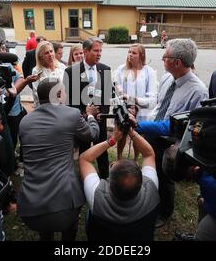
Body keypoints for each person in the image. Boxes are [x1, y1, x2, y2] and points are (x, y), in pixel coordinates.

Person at [17, 78, 99, 241]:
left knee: (45, 230)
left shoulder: (25, 121)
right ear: (59, 94)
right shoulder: (71, 114)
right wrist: (90, 116)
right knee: (69, 230)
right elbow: (92, 134)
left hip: (31, 206)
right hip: (64, 205)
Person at [147, 38, 208, 228]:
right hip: (153, 133)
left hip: (170, 143)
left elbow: (194, 128)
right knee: (151, 170)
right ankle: (150, 200)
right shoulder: (167, 77)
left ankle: (164, 212)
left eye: (165, 56)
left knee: (165, 179)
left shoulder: (198, 91)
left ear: (177, 62)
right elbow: (159, 104)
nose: (162, 59)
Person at [79, 123, 159, 241]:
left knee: (89, 215)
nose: (113, 163)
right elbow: (149, 154)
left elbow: (84, 159)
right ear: (141, 181)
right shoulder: (151, 189)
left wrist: (112, 140)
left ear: (109, 183)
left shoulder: (97, 197)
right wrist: (132, 133)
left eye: (113, 165)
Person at [63, 36, 114, 179]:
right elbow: (70, 100)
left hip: (100, 118)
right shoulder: (71, 72)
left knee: (102, 149)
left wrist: (102, 113)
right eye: (96, 51)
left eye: (100, 51)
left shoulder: (105, 69)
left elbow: (108, 95)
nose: (99, 54)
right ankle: (84, 177)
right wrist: (84, 114)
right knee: (84, 149)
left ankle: (105, 177)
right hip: (81, 120)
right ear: (85, 51)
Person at [113, 44, 158, 161]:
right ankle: (119, 159)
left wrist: (135, 102)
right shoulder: (121, 69)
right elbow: (117, 88)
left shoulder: (149, 72)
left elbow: (152, 98)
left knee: (137, 136)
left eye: (134, 53)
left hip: (142, 110)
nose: (130, 55)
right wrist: (124, 101)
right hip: (124, 108)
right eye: (129, 52)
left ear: (141, 55)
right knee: (121, 134)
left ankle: (135, 160)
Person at [31, 41, 67, 108]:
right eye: (46, 53)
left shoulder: (62, 67)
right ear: (40, 56)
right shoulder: (36, 71)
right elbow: (37, 93)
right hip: (46, 108)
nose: (50, 54)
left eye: (51, 51)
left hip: (63, 106)